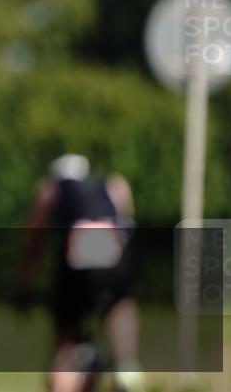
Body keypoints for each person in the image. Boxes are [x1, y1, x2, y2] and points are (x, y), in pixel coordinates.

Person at [17, 153, 144, 392]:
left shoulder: (50, 189)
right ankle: (127, 366)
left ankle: (63, 383)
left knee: (66, 339)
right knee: (120, 304)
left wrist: (24, 284)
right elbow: (126, 222)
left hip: (76, 261)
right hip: (114, 255)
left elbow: (34, 241)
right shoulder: (114, 184)